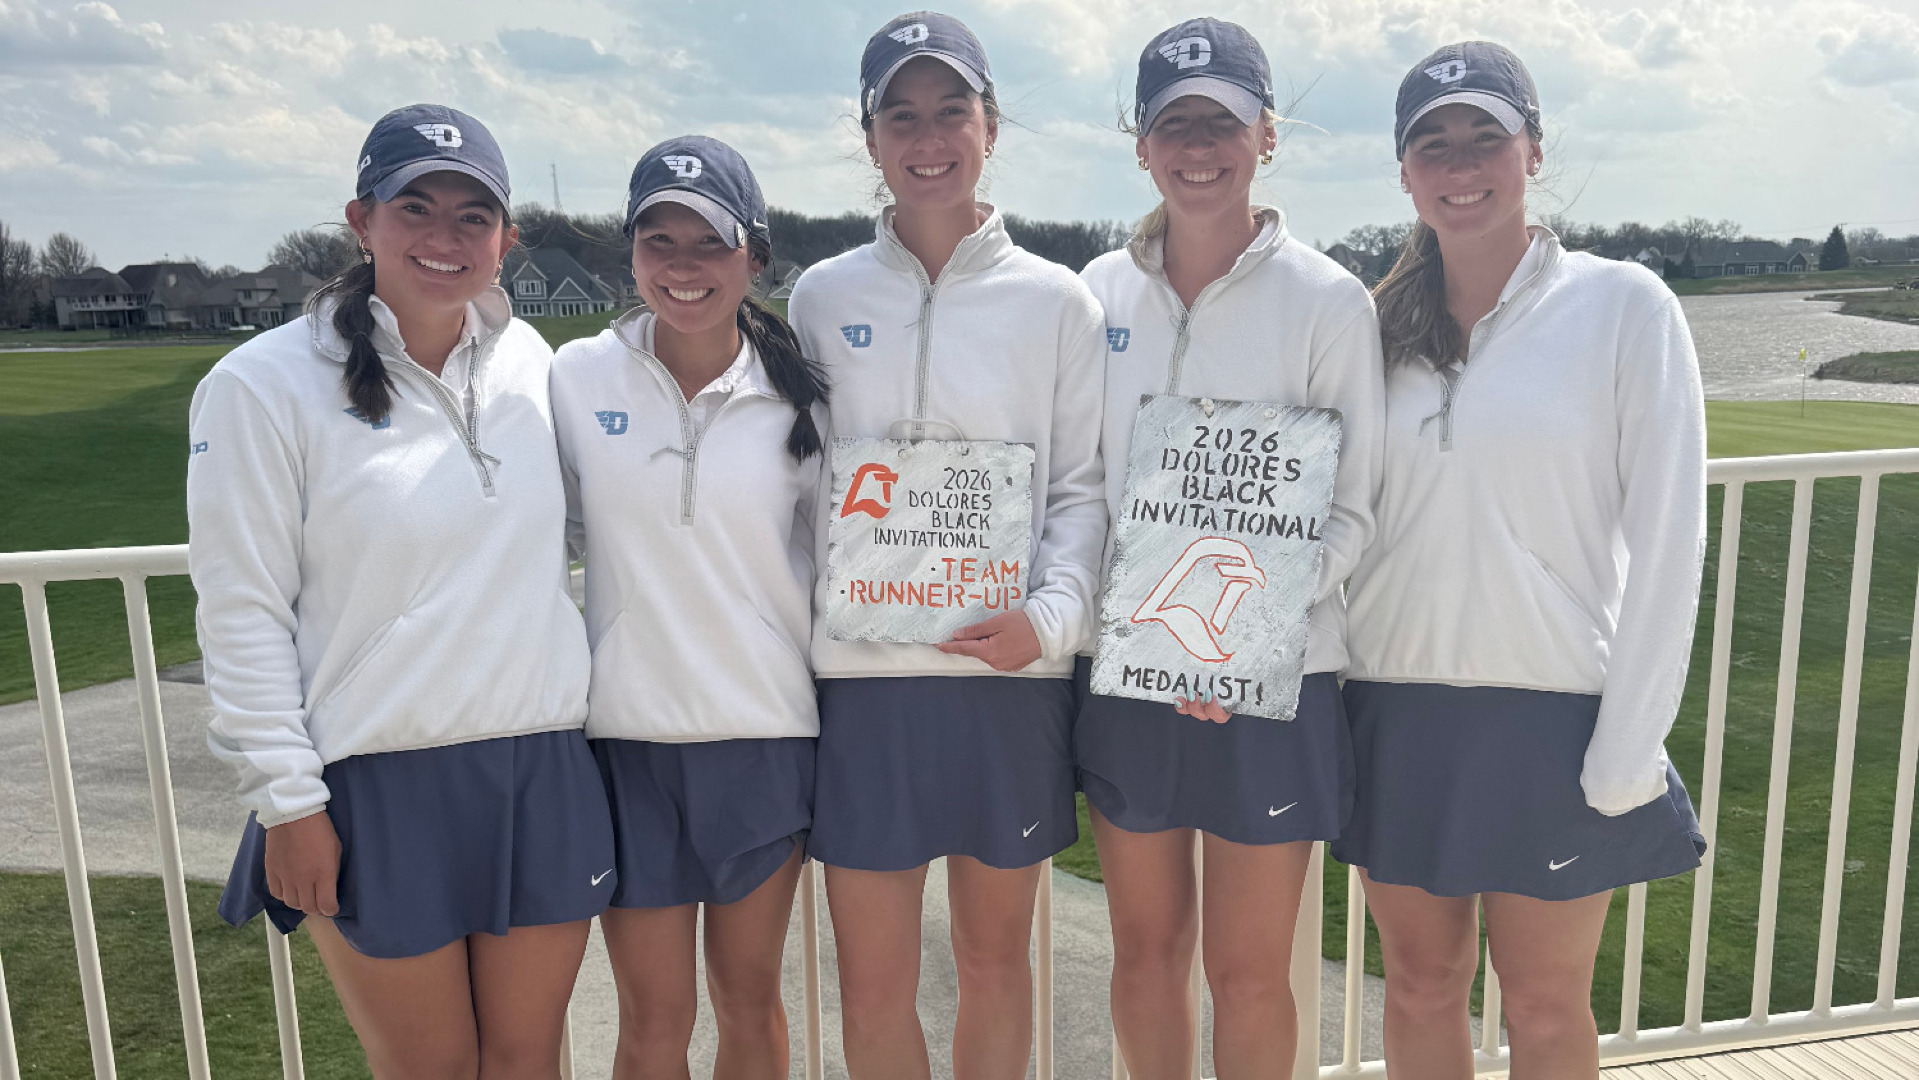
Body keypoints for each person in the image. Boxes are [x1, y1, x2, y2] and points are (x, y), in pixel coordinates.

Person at [191, 104, 609, 1079]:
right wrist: (288, 803)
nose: (444, 236)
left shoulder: (531, 366)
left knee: (526, 1064)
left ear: (506, 239)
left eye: (473, 217)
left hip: (538, 768)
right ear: (360, 219)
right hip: (373, 787)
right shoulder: (261, 385)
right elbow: (241, 609)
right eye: (415, 206)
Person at [1334, 42, 1709, 1080]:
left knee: (1543, 1008)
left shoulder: (1623, 306)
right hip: (1392, 704)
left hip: (1551, 709)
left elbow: (1671, 539)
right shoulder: (1372, 328)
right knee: (1413, 988)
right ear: (1403, 172)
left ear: (1531, 150)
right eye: (1432, 143)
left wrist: (1626, 751)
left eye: (1483, 137)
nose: (1460, 163)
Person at [785, 12, 1106, 1079]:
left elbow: (1079, 489)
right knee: (871, 981)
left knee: (994, 965)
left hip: (1001, 674)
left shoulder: (1056, 301)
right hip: (863, 683)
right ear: (869, 136)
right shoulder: (823, 296)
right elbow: (799, 484)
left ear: (990, 123)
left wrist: (1050, 622)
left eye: (950, 110)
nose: (928, 137)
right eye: (901, 114)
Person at [1073, 18, 1384, 1077]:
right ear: (1139, 143)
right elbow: (1085, 491)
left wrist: (1240, 641)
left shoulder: (1329, 300)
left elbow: (1351, 508)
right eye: (1173, 123)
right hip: (1133, 673)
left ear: (1265, 134)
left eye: (1220, 121)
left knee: (1250, 973)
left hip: (1274, 679)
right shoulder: (1096, 295)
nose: (1196, 147)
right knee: (1145, 953)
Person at [550, 135, 827, 1080]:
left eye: (707, 243)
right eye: (657, 240)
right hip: (627, 743)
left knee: (749, 1004)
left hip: (762, 735)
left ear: (752, 257)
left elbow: (839, 560)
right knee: (650, 1020)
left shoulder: (803, 399)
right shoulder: (575, 379)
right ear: (628, 255)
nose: (681, 266)